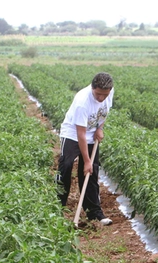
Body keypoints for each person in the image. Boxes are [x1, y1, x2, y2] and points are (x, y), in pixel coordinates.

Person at [56, 72, 114, 226]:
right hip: (73, 134)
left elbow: (103, 114)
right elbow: (80, 134)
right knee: (66, 166)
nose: (101, 98)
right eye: (98, 94)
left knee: (91, 172)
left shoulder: (109, 92)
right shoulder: (82, 102)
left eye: (105, 95)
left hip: (91, 133)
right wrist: (86, 160)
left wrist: (100, 128)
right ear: (92, 88)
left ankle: (94, 213)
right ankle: (56, 209)